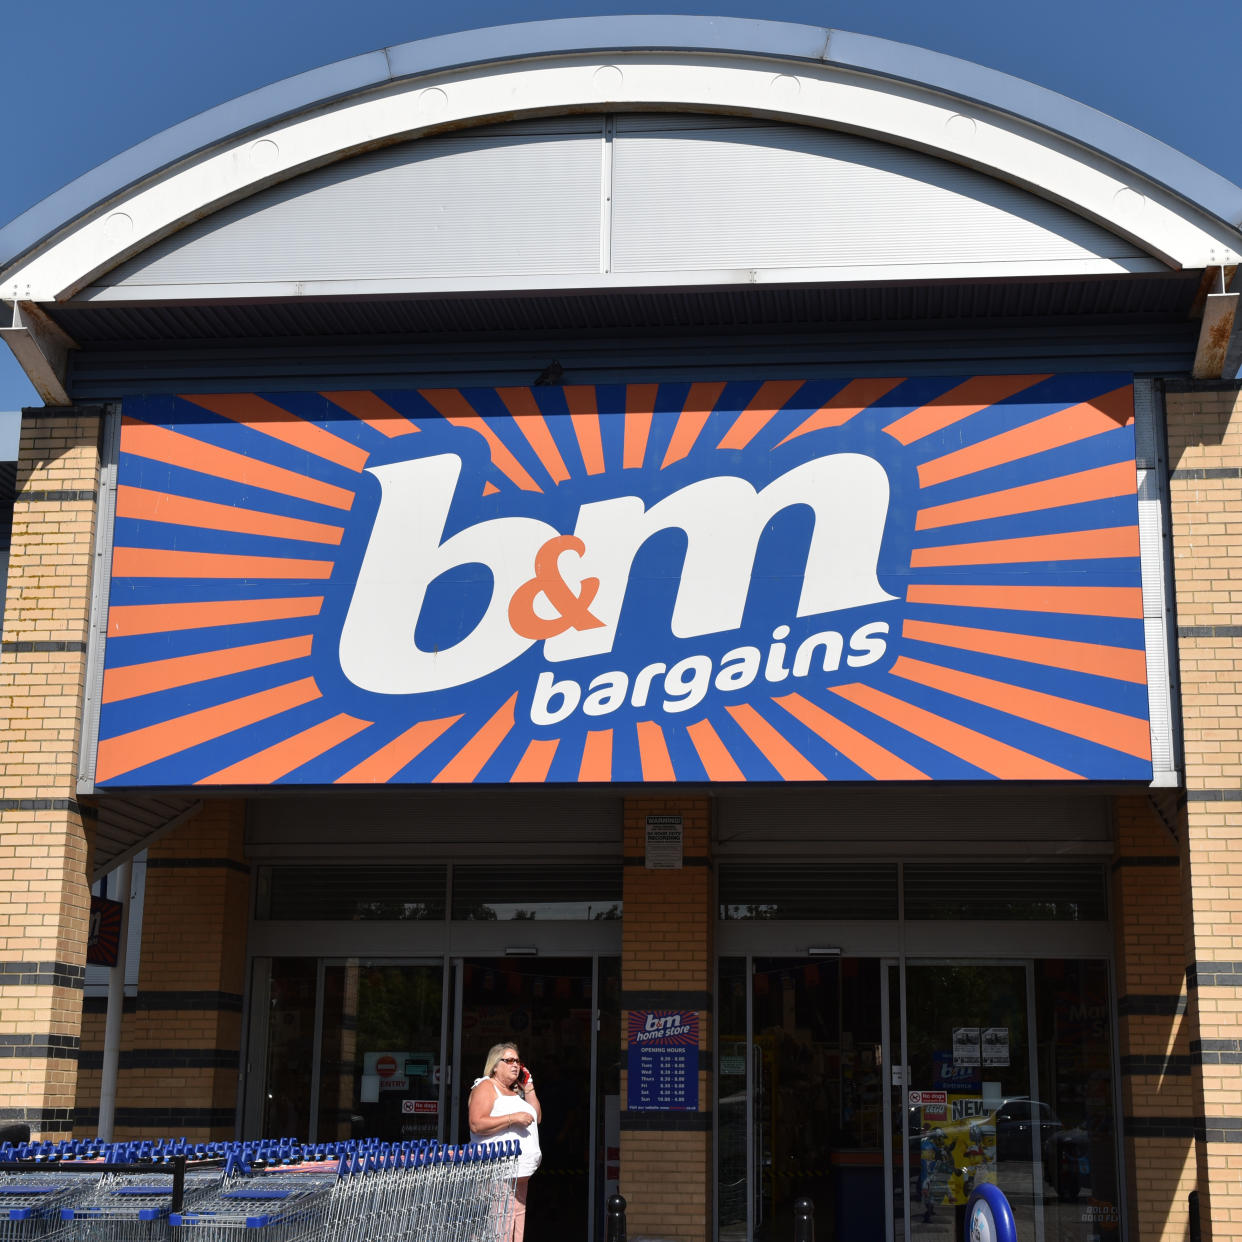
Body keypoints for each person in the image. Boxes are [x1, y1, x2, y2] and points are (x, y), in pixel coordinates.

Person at [469, 1042, 542, 1242]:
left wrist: (529, 1088)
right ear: (495, 1065)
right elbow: (476, 1123)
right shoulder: (486, 1086)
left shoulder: (516, 1091)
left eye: (518, 1061)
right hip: (497, 1172)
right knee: (499, 1224)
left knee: (515, 1222)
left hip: (519, 1174)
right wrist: (513, 1118)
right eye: (509, 1060)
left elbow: (537, 1117)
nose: (515, 1065)